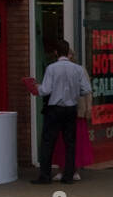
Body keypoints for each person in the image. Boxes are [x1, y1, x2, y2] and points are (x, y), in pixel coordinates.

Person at [32, 38, 90, 185]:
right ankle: (68, 175)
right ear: (67, 52)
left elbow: (46, 90)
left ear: (55, 52)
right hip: (71, 109)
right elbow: (86, 89)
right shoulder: (77, 69)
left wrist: (36, 87)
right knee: (70, 142)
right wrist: (74, 92)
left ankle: (45, 176)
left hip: (54, 109)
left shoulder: (51, 68)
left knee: (48, 142)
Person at [50, 47, 94, 181]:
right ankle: (61, 169)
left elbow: (87, 91)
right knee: (61, 141)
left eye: (70, 54)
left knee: (76, 141)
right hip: (60, 109)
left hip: (77, 110)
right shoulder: (55, 69)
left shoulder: (79, 69)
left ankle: (75, 169)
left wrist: (88, 109)